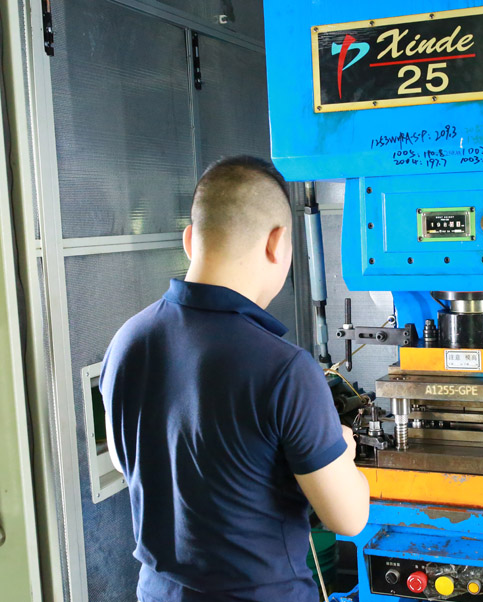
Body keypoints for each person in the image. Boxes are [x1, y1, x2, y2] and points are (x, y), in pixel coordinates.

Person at [100, 155, 370, 602]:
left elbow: (125, 460)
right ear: (277, 243)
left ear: (190, 240)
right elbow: (349, 518)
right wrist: (341, 453)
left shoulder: (127, 340)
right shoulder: (285, 368)